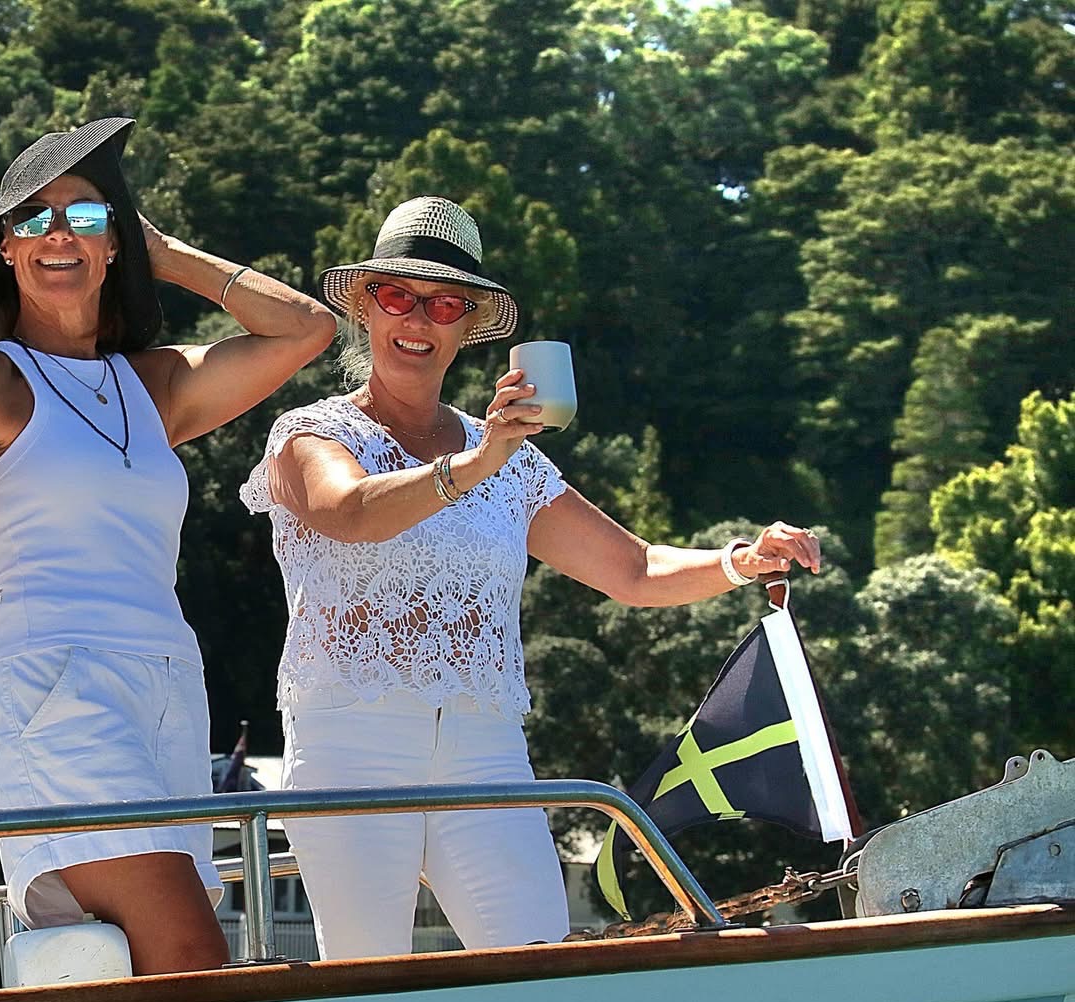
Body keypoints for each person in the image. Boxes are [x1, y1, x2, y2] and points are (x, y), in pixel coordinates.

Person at [0, 117, 335, 974]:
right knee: (191, 957)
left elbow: (305, 330)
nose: (58, 235)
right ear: (4, 248)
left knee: (156, 974)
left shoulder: (153, 382)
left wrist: (165, 253)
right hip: (60, 689)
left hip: (168, 688)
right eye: (33, 219)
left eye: (84, 217)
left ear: (115, 244)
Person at [241, 196, 821, 960]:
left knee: (546, 969)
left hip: (485, 750)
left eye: (445, 303)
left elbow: (634, 569)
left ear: (469, 324)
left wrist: (740, 561)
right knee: (365, 983)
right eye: (397, 295)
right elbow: (348, 512)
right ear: (365, 308)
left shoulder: (507, 456)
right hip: (352, 741)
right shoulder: (312, 434)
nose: (418, 318)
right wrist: (475, 463)